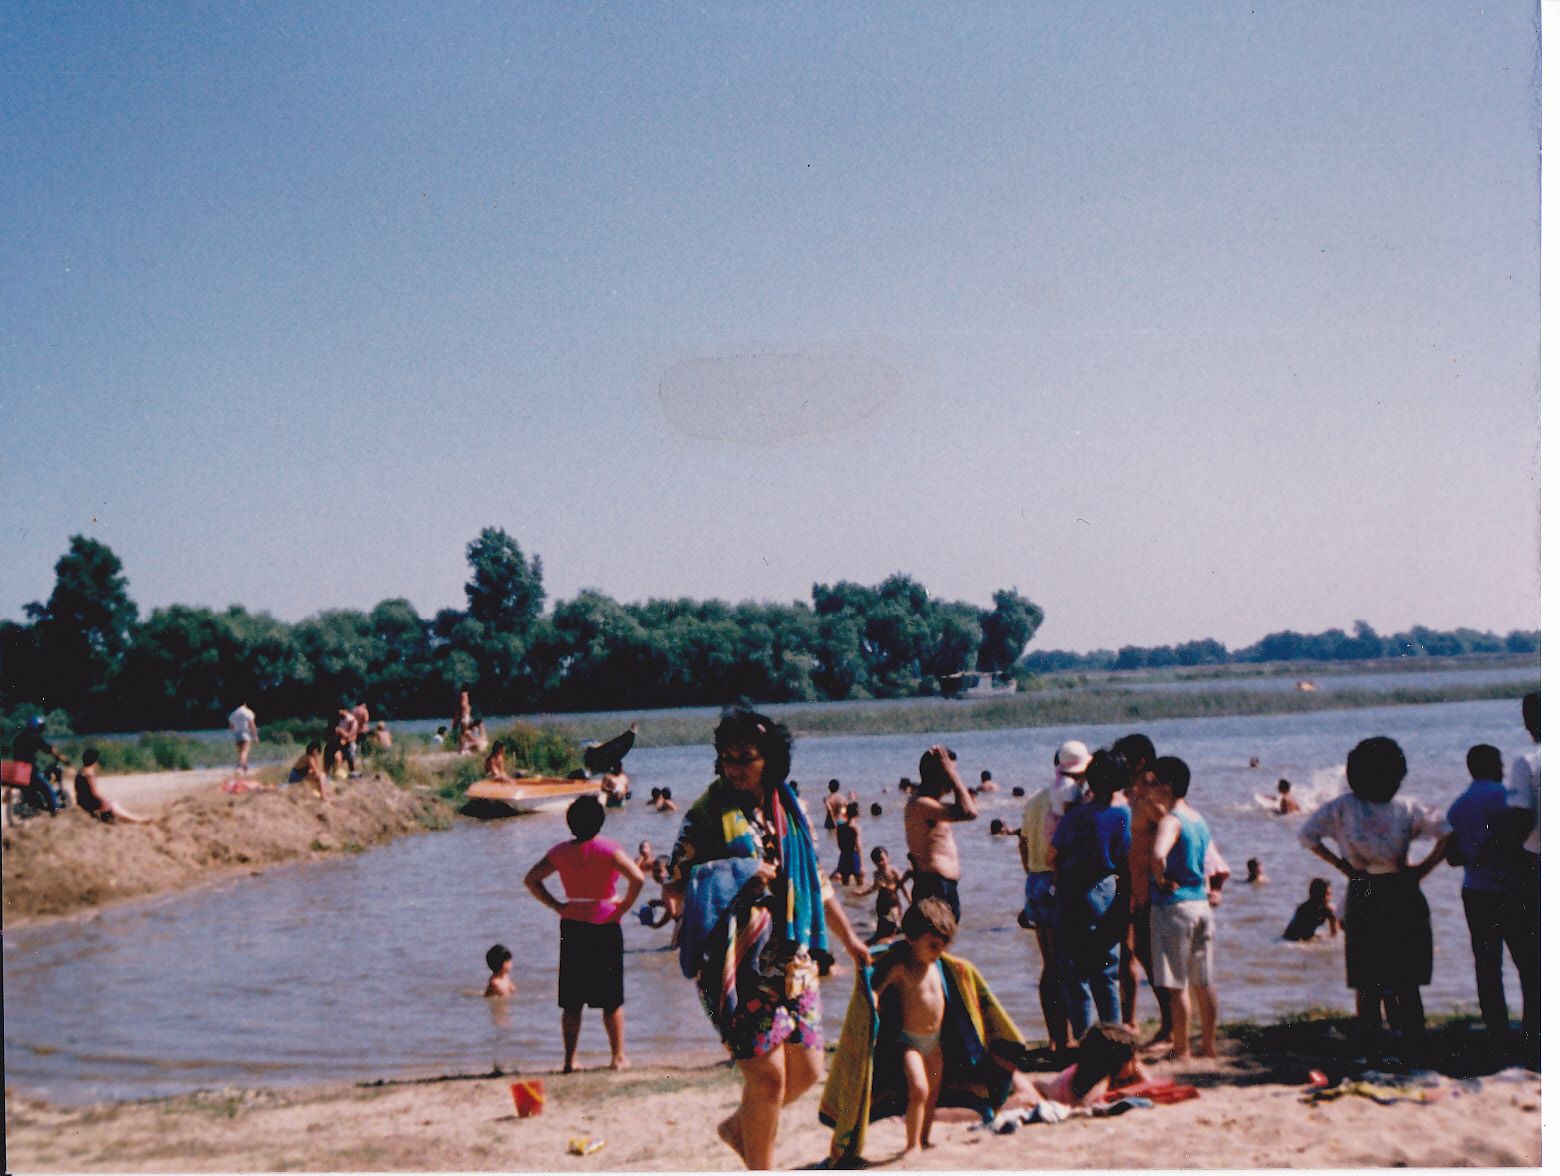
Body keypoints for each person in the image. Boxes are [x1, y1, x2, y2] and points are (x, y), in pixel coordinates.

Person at [665, 708, 869, 1170]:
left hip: (793, 958)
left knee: (808, 1072)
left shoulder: (791, 811)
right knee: (768, 1081)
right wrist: (740, 875)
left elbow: (816, 882)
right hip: (732, 962)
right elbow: (674, 887)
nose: (734, 766)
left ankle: (740, 1128)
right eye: (726, 757)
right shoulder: (704, 815)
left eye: (745, 757)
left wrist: (851, 942)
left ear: (770, 760)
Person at [1299, 736, 1451, 1057]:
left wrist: (1342, 866)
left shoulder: (1341, 807)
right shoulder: (1408, 807)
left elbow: (1307, 836)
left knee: (1367, 977)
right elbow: (1447, 834)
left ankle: (1371, 1043)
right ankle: (1413, 1042)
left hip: (1363, 886)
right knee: (1406, 977)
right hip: (1402, 888)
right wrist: (1422, 869)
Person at [524, 795, 644, 1073]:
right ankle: (617, 1057)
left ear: (570, 823)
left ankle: (570, 1060)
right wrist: (624, 906)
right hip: (606, 922)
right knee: (611, 997)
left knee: (572, 999)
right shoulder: (609, 849)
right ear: (600, 822)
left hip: (574, 922)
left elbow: (531, 880)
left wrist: (557, 905)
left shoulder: (559, 852)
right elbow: (637, 878)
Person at [1446, 744, 1539, 1052]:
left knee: (1487, 965)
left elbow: (1454, 856)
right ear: (1496, 766)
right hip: (1512, 889)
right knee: (1528, 964)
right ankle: (1533, 1031)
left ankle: (1497, 1033)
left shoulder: (1458, 806)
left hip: (1475, 890)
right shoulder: (1505, 798)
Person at [867, 898, 959, 1155]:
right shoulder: (902, 968)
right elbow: (876, 990)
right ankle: (911, 1144)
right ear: (910, 938)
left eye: (943, 947)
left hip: (935, 1042)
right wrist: (872, 1001)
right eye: (932, 946)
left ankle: (925, 1137)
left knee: (933, 1094)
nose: (938, 952)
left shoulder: (939, 966)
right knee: (918, 1089)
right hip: (910, 1042)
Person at [1051, 748, 1131, 1039]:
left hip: (1075, 892)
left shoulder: (1075, 817)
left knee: (1076, 973)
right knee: (1107, 969)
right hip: (1108, 891)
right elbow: (1124, 854)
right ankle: (1115, 1037)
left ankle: (1085, 1040)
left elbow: (1054, 853)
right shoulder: (1123, 814)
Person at [1144, 756, 1218, 1059]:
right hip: (1200, 903)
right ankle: (1209, 1046)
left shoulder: (1170, 821)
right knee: (1204, 981)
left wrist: (1160, 880)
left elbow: (1158, 854)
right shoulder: (1198, 819)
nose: (1148, 788)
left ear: (1167, 787)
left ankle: (1181, 1047)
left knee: (1176, 984)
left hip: (1174, 907)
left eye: (1153, 782)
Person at [1018, 738, 1089, 1054]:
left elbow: (1023, 844)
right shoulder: (1075, 800)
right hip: (1061, 883)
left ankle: (1055, 1037)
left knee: (1050, 966)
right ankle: (1075, 1035)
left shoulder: (1035, 800)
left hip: (1035, 881)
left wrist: (1033, 877)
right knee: (1071, 965)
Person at [1115, 732, 1172, 1043]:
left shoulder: (1151, 797)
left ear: (1138, 762)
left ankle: (1169, 1022)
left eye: (1124, 758)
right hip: (1131, 884)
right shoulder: (1132, 794)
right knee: (1132, 953)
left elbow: (1172, 829)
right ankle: (1133, 1020)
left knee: (1151, 956)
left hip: (1151, 887)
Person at [904, 746, 978, 922]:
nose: (952, 781)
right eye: (948, 773)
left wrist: (950, 771)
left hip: (941, 885)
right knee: (934, 943)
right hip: (934, 886)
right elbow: (969, 812)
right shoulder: (920, 804)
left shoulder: (929, 804)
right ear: (937, 775)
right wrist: (953, 775)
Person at [1032, 1022, 1146, 1109]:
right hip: (1060, 1088)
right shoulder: (1100, 1081)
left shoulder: (1114, 1068)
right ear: (1117, 1064)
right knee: (1045, 1088)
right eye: (1132, 1060)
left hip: (1075, 1071)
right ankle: (1036, 1085)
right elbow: (1082, 1105)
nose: (1137, 1062)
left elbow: (1149, 1084)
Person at [73, 749, 152, 824]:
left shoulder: (80, 772)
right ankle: (139, 820)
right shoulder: (89, 774)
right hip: (91, 805)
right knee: (113, 806)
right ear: (95, 760)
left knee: (114, 805)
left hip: (82, 802)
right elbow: (94, 793)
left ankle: (138, 819)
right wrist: (104, 802)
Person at [858, 846, 908, 944]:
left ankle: (894, 935)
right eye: (876, 861)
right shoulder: (876, 874)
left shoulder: (893, 871)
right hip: (881, 903)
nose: (880, 863)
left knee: (895, 922)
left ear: (887, 858)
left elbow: (902, 887)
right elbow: (874, 887)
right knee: (882, 927)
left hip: (893, 902)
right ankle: (881, 937)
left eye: (882, 859)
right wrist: (862, 893)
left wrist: (909, 899)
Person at [833, 802, 863, 884]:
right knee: (860, 883)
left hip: (844, 856)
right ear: (857, 815)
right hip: (853, 856)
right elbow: (858, 846)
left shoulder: (840, 827)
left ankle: (845, 897)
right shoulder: (855, 828)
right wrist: (862, 865)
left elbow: (839, 845)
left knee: (845, 883)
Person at [228, 703, 258, 773]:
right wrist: (255, 736)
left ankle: (245, 767)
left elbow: (231, 727)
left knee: (240, 752)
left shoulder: (234, 713)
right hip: (245, 734)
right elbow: (252, 725)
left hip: (237, 734)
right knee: (245, 751)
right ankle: (240, 765)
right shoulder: (248, 712)